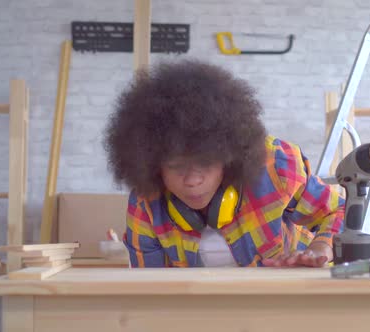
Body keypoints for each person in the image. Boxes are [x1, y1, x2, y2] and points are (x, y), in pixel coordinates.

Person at [103, 59, 344, 268]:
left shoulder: (275, 169)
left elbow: (342, 210)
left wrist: (321, 247)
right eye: (177, 166)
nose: (193, 181)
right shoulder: (145, 205)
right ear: (153, 165)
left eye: (205, 163)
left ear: (229, 158)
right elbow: (151, 295)